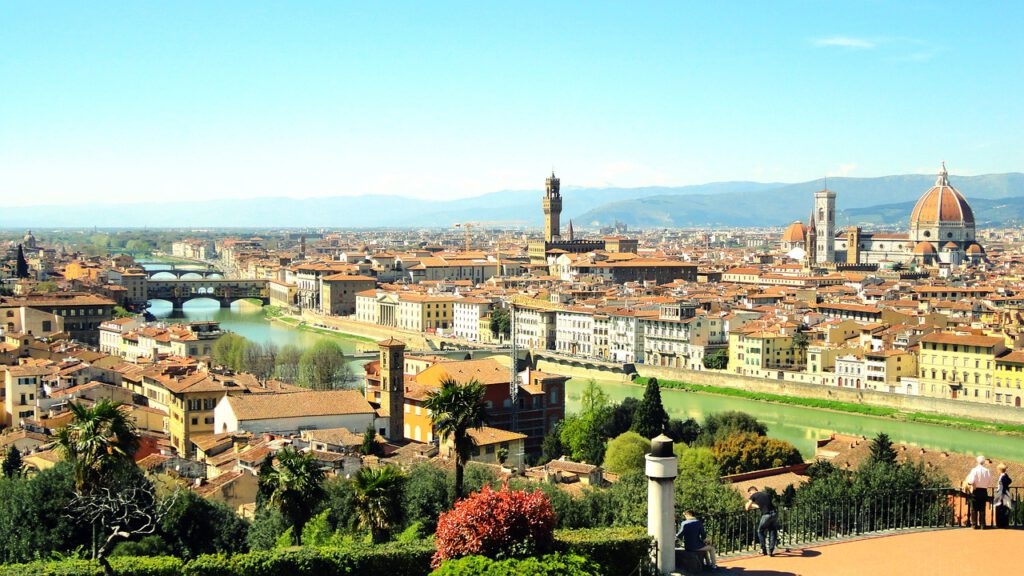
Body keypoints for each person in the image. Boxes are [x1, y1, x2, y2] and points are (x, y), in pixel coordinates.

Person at [745, 486, 778, 556]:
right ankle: (771, 550)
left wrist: (747, 505)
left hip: (766, 515)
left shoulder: (753, 495)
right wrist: (753, 505)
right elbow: (760, 505)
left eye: (750, 493)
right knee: (772, 530)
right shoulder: (765, 494)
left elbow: (747, 508)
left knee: (760, 531)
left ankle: (764, 550)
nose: (750, 495)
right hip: (774, 513)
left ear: (752, 491)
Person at [965, 455, 994, 529]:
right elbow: (990, 483)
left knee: (974, 508)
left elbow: (971, 481)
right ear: (984, 462)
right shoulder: (987, 471)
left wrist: (968, 484)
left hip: (975, 490)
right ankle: (982, 524)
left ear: (977, 461)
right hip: (984, 491)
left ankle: (974, 524)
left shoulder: (974, 470)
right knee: (982, 508)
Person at [994, 463, 1013, 529]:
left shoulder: (1003, 477)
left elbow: (1001, 486)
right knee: (1004, 509)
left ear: (1000, 470)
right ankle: (1004, 523)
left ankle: (1000, 524)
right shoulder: (1006, 476)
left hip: (1001, 494)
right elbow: (1010, 481)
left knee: (1000, 509)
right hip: (1004, 494)